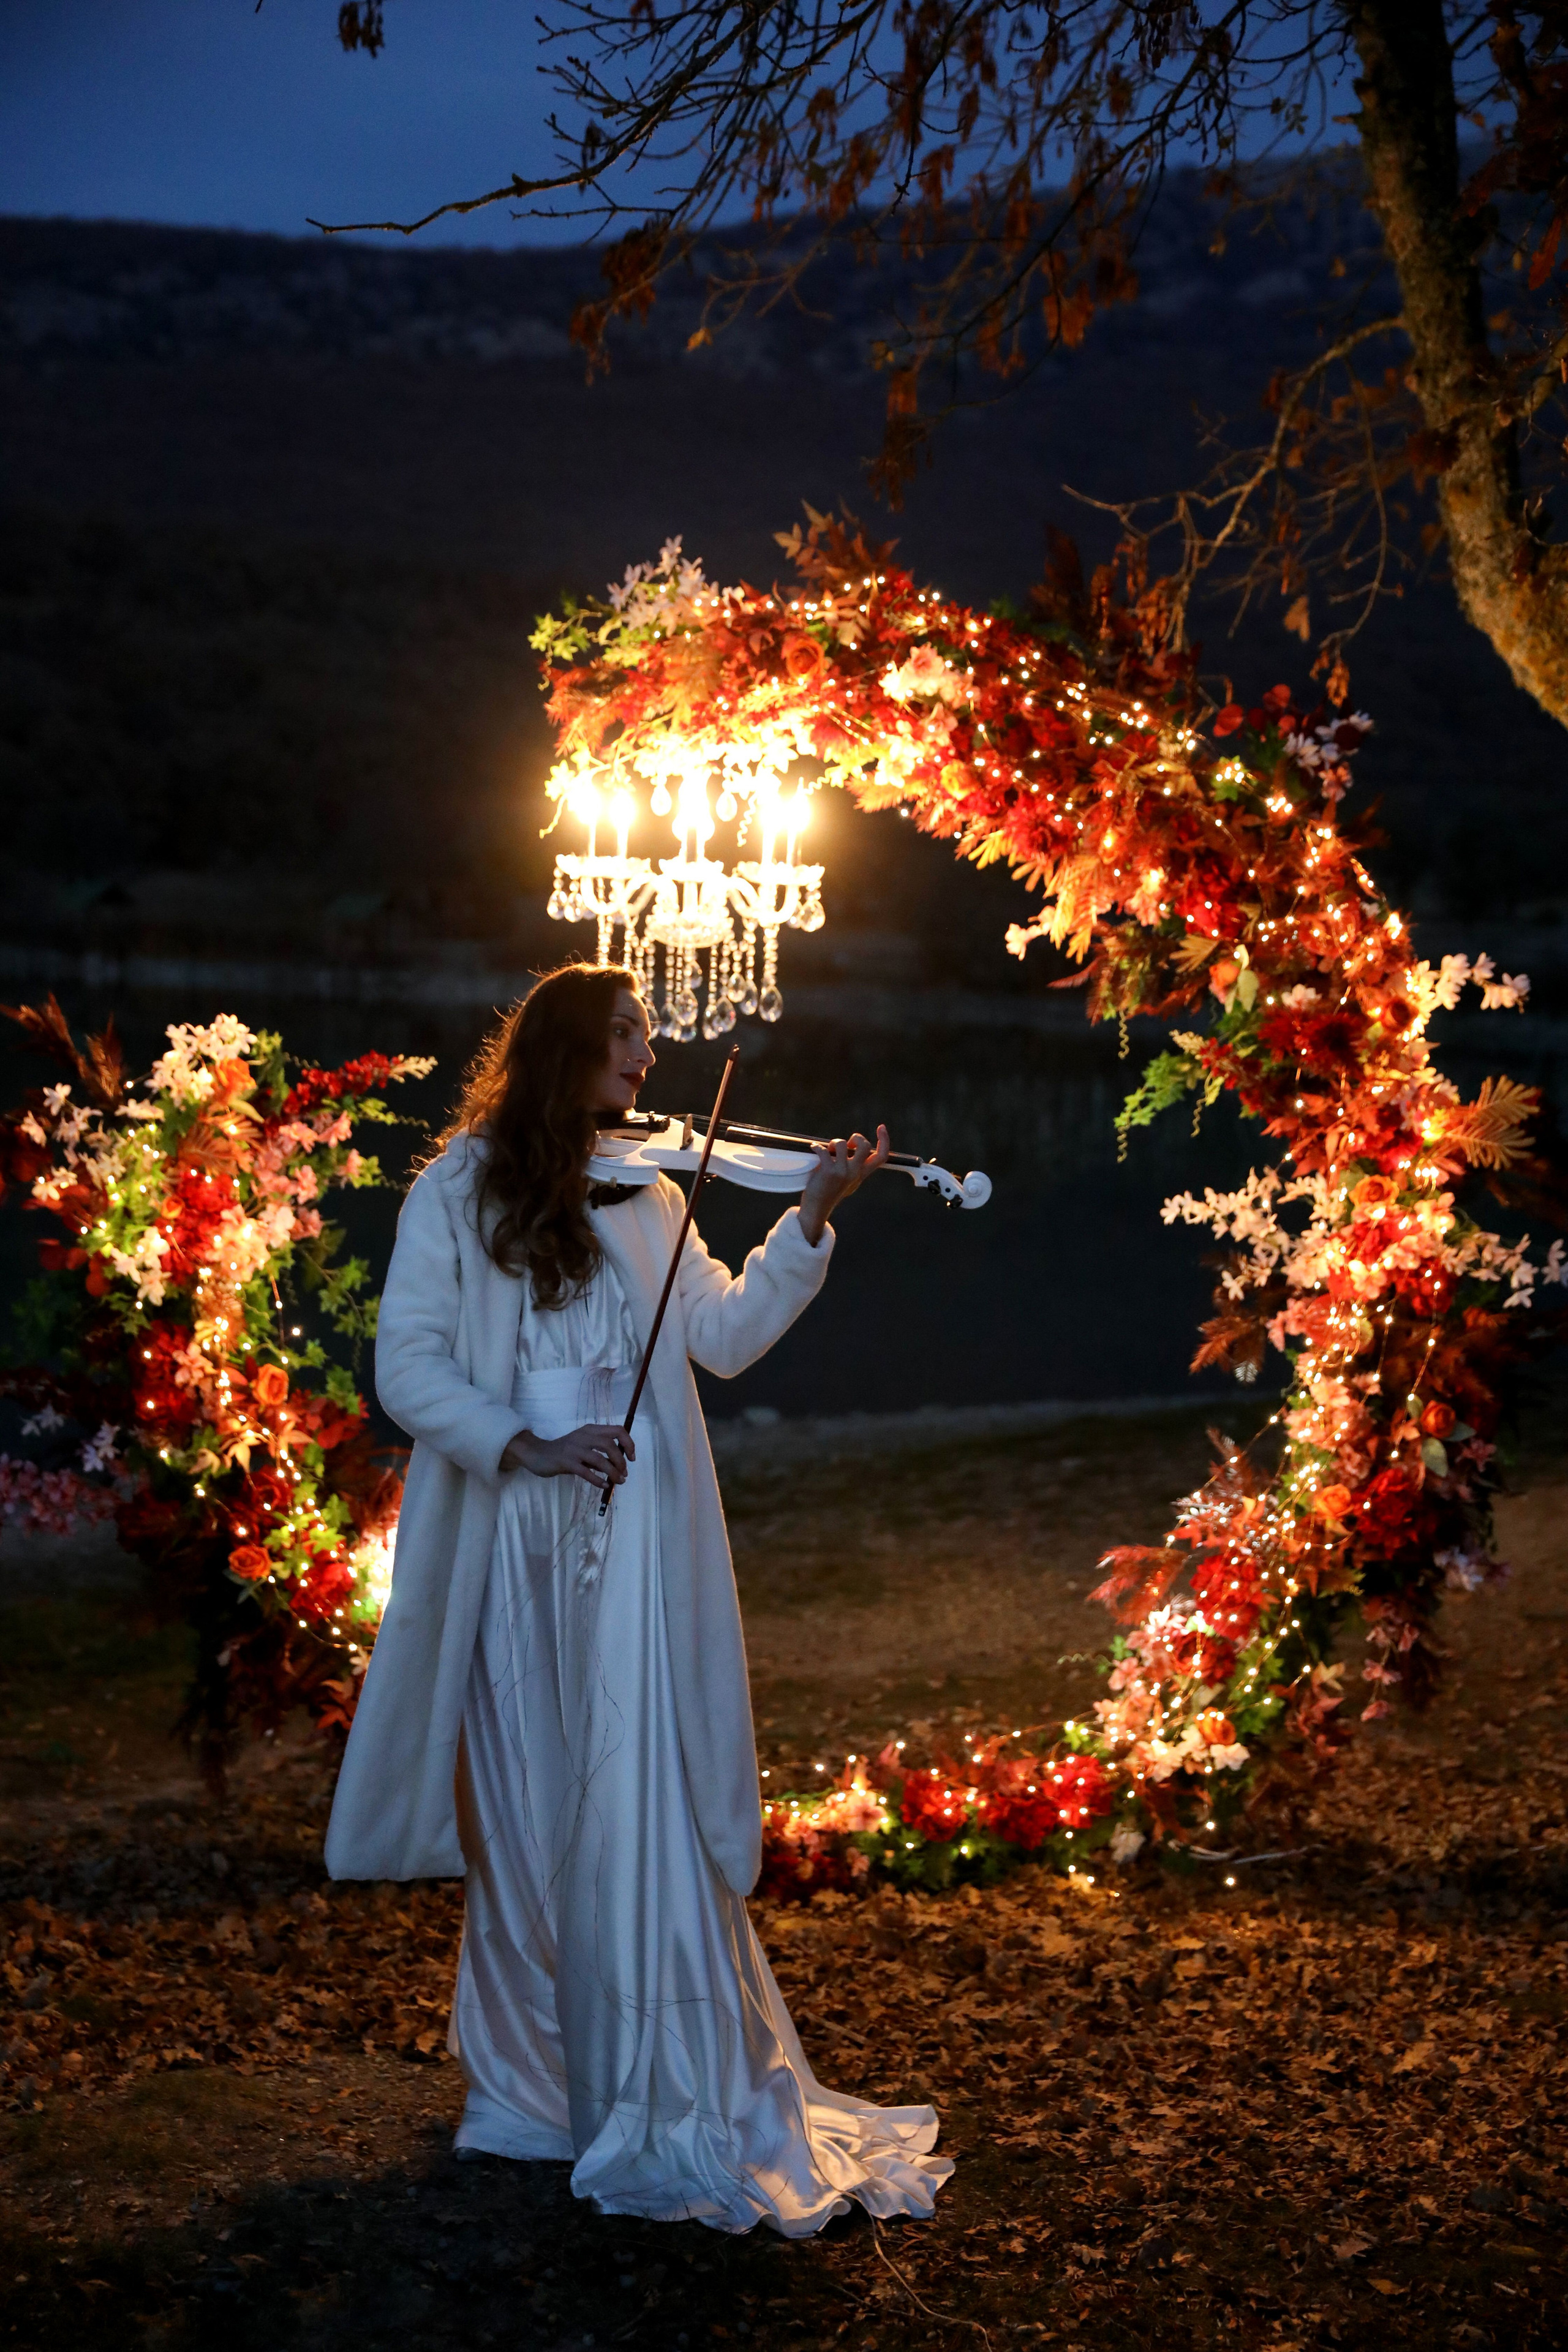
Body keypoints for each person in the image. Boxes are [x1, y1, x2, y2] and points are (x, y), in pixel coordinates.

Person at [325, 962, 953, 2234]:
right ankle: (530, 2091)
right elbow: (410, 1367)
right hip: (515, 1537)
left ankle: (656, 2075)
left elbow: (718, 1337)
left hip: (638, 1542)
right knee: (525, 1802)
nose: (649, 1063)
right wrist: (523, 1440)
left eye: (652, 1040)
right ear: (565, 1045)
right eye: (628, 1036)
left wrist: (810, 1221)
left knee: (634, 1796)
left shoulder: (653, 1195)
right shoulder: (459, 1188)